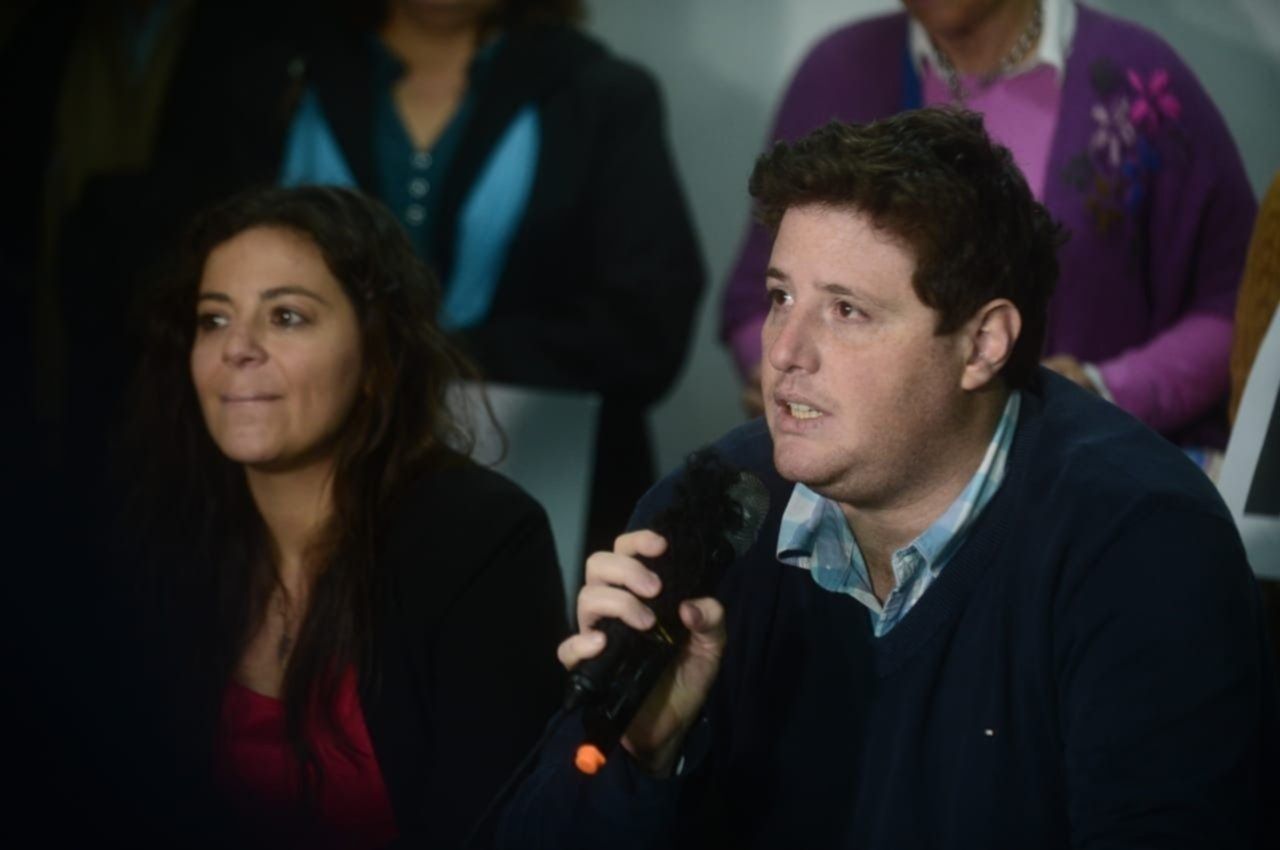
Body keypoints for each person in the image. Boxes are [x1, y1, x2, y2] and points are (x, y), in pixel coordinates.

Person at [497, 109, 1280, 848]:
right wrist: (639, 757)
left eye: (847, 311)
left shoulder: (1142, 545)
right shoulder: (713, 508)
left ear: (983, 345)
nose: (784, 351)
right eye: (780, 297)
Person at [116, 185, 567, 847]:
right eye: (213, 319)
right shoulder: (161, 527)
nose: (237, 348)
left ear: (377, 357)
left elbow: (499, 829)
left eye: (286, 316)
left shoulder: (483, 540)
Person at [721, 0, 1255, 457]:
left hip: (1088, 471)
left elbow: (1239, 303)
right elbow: (753, 298)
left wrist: (1106, 391)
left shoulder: (1137, 81)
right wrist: (793, 368)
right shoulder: (839, 73)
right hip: (883, 488)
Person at [279, 0, 705, 554]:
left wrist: (430, 359)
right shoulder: (275, 83)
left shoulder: (600, 92)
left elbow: (647, 329)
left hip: (542, 482)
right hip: (299, 477)